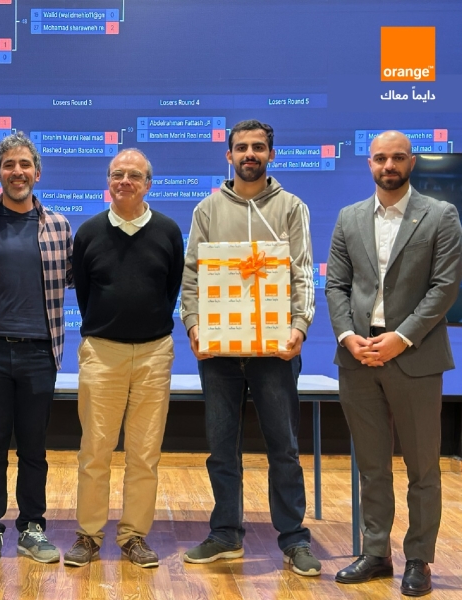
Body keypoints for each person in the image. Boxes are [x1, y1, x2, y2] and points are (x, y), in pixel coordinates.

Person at [179, 119, 320, 576]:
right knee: (222, 449)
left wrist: (300, 327)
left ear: (271, 154)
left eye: (258, 147)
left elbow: (302, 273)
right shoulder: (207, 209)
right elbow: (192, 276)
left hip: (276, 352)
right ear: (229, 155)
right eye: (241, 148)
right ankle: (225, 534)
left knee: (284, 448)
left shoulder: (292, 207)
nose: (250, 154)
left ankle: (294, 539)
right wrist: (194, 326)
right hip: (219, 353)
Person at [325, 130, 462, 597]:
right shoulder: (349, 217)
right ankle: (376, 553)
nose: (389, 165)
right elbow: (336, 285)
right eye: (381, 158)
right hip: (359, 357)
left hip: (415, 356)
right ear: (369, 163)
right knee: (371, 466)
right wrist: (347, 336)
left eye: (398, 157)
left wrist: (401, 339)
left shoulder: (441, 215)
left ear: (411, 162)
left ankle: (418, 559)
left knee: (423, 468)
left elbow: (444, 287)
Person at [63, 148, 183, 568]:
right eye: (117, 174)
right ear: (108, 182)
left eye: (134, 175)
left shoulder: (168, 231)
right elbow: (85, 294)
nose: (125, 181)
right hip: (102, 352)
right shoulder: (89, 232)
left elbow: (171, 290)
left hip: (154, 354)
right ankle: (89, 535)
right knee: (95, 451)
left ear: (148, 184)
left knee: (144, 454)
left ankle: (134, 536)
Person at [0, 132, 73, 568]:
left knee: (33, 448)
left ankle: (32, 526)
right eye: (9, 164)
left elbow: (74, 279)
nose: (17, 172)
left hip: (39, 353)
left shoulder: (59, 226)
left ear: (37, 172)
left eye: (25, 164)